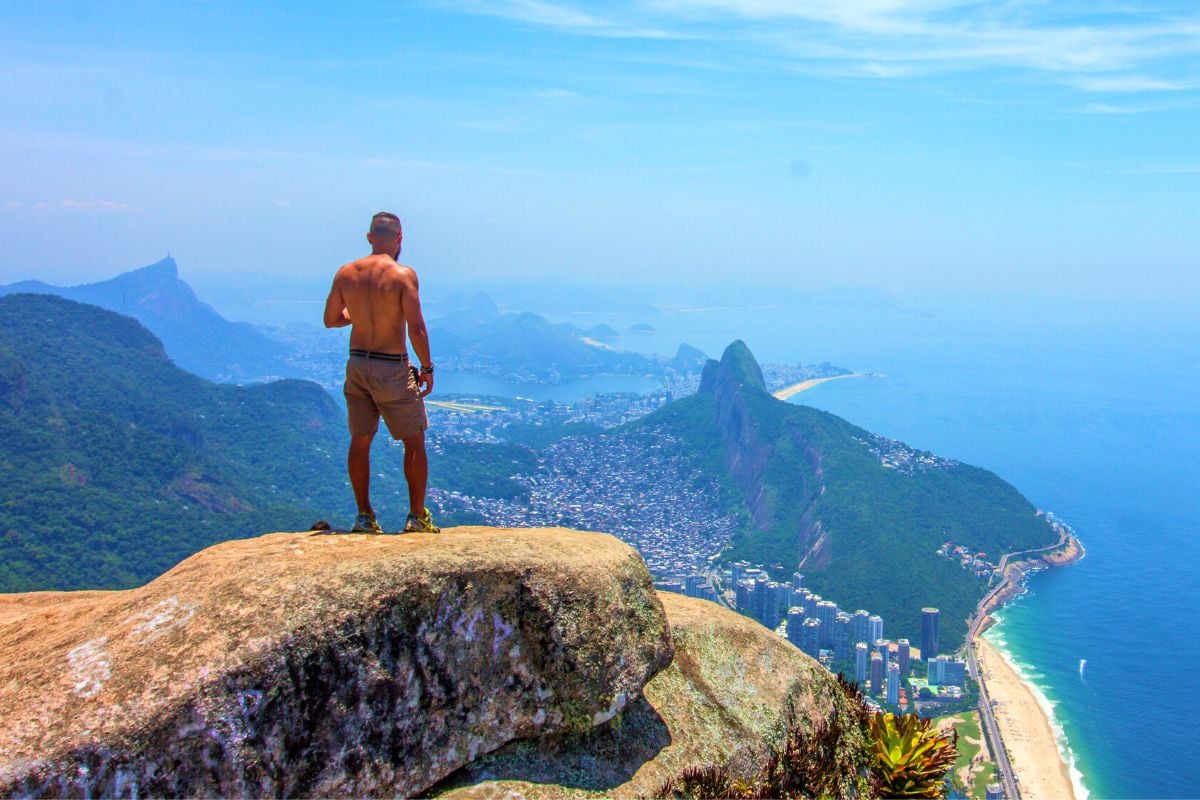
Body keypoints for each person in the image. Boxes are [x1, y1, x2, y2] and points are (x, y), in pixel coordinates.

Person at [323, 211, 439, 534]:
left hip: (358, 364)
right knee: (414, 441)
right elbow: (415, 327)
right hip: (392, 366)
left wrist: (358, 314)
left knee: (360, 440)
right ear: (400, 238)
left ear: (369, 237)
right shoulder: (403, 276)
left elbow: (331, 319)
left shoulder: (347, 273)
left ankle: (364, 516)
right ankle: (417, 516)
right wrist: (427, 367)